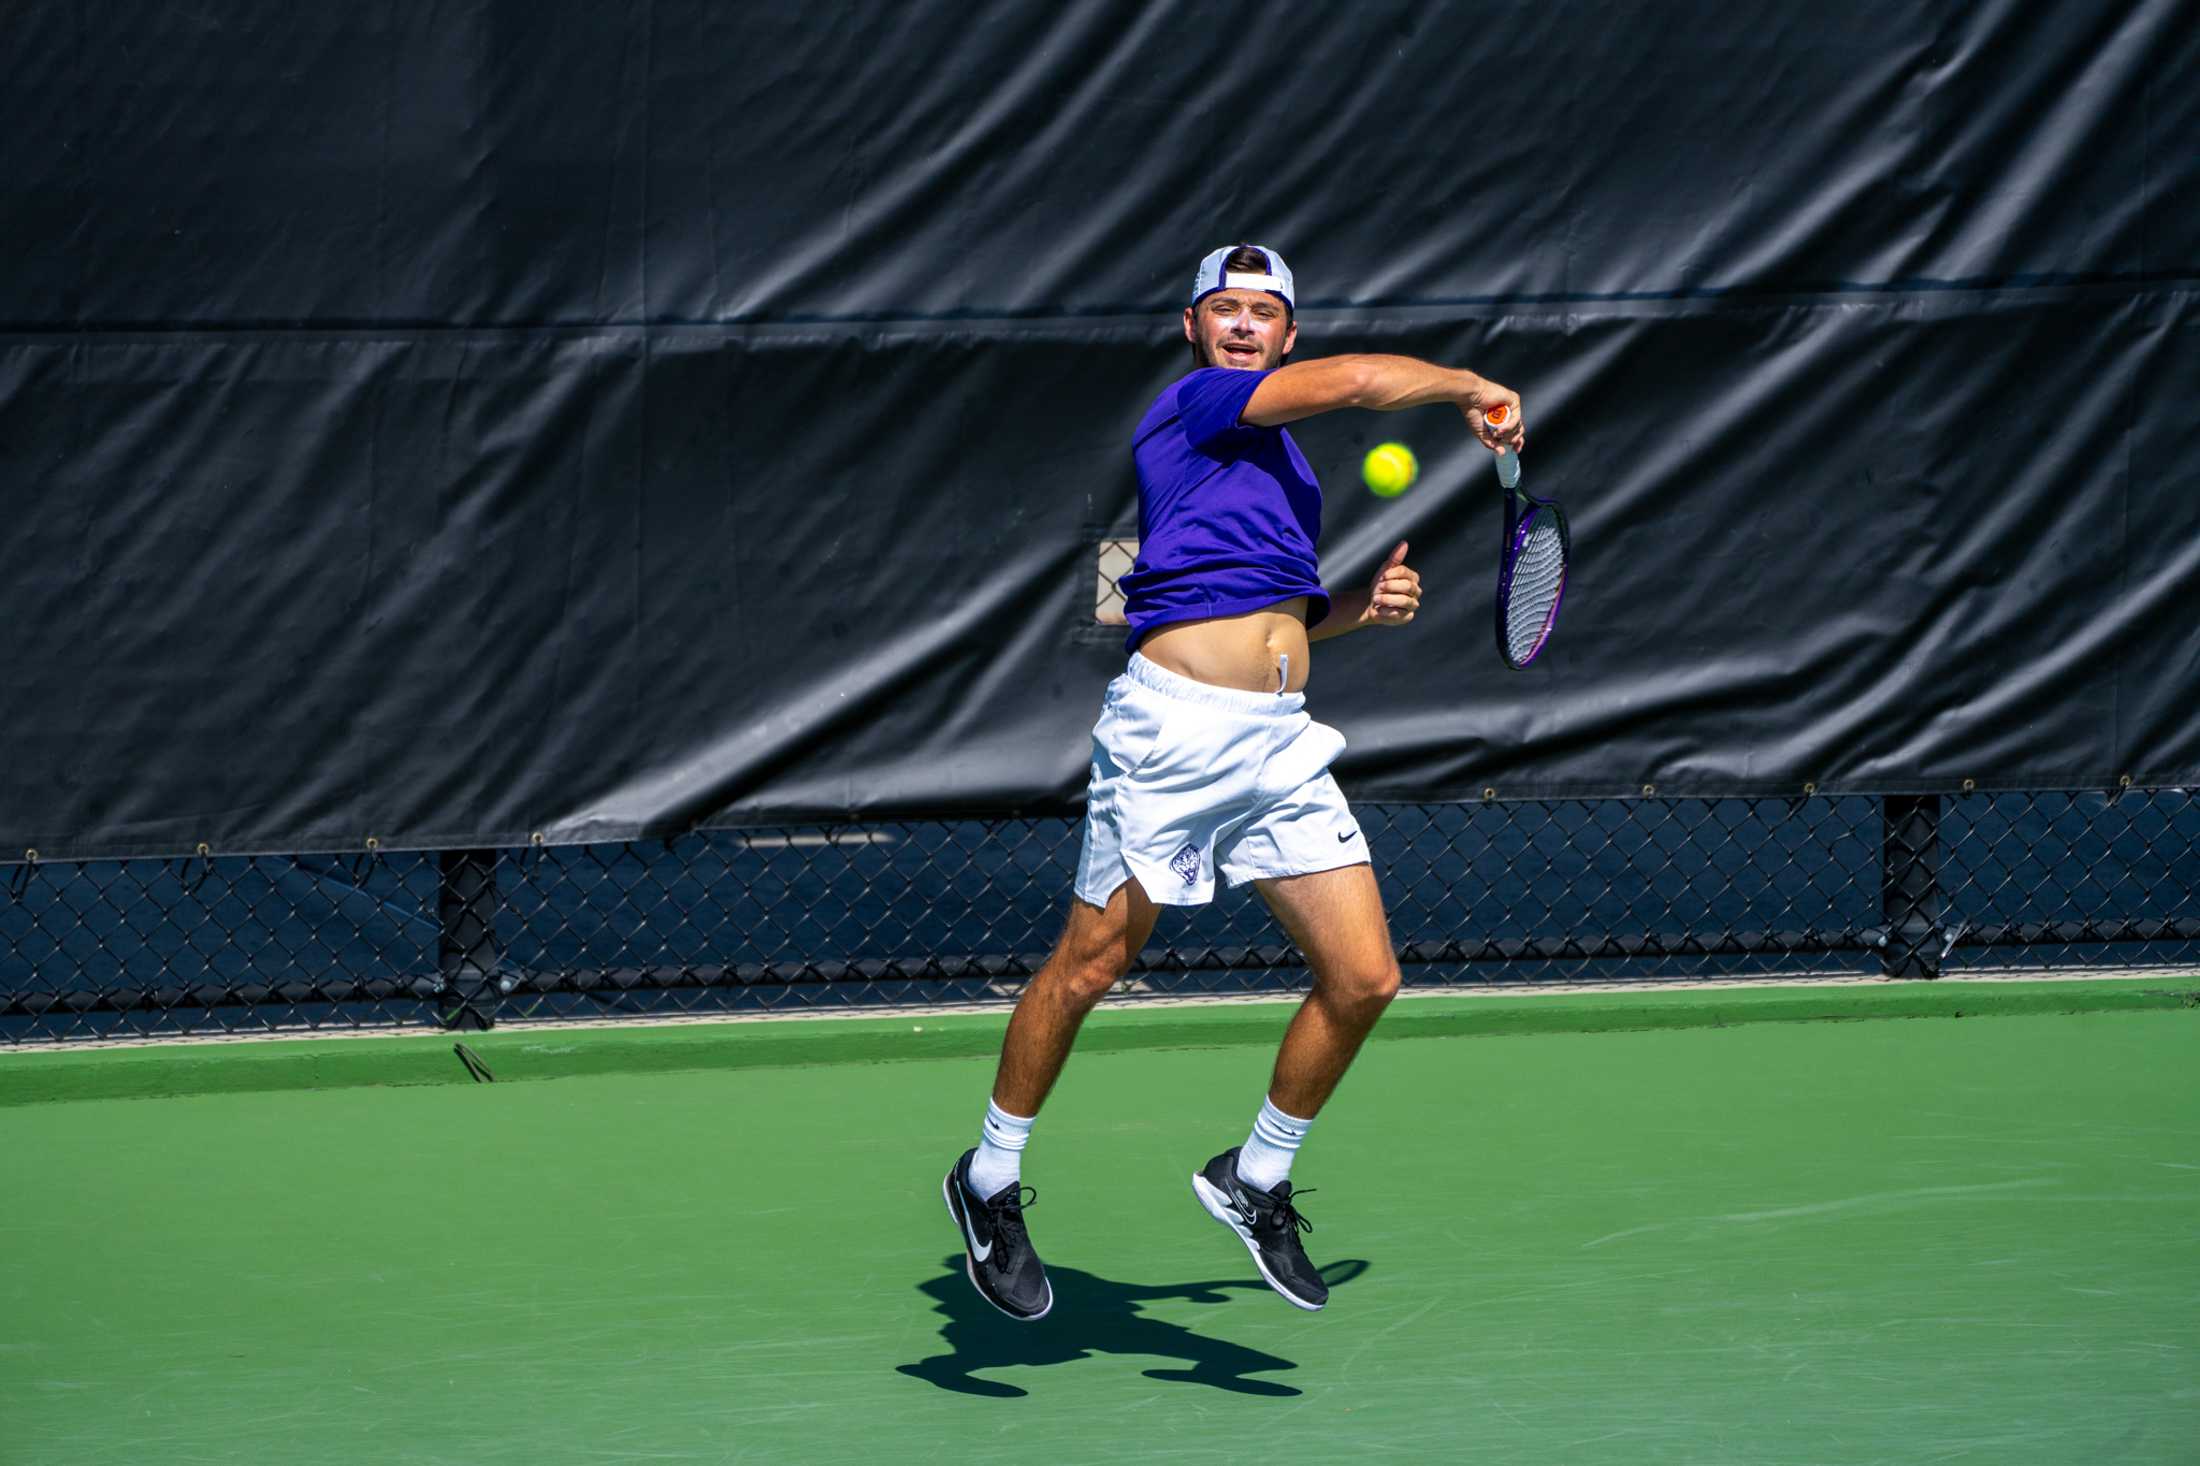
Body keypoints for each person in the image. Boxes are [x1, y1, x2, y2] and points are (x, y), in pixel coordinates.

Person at [942, 243, 1526, 1319]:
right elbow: (1357, 384)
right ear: (1195, 327)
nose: (1246, 323)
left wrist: (1361, 605)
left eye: (1265, 311)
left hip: (1277, 737)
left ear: (1286, 329)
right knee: (1091, 965)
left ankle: (1253, 1174)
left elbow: (1272, 616)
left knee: (1365, 978)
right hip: (1171, 733)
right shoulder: (1198, 406)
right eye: (1227, 308)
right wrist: (1468, 385)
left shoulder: (1285, 472)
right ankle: (985, 1179)